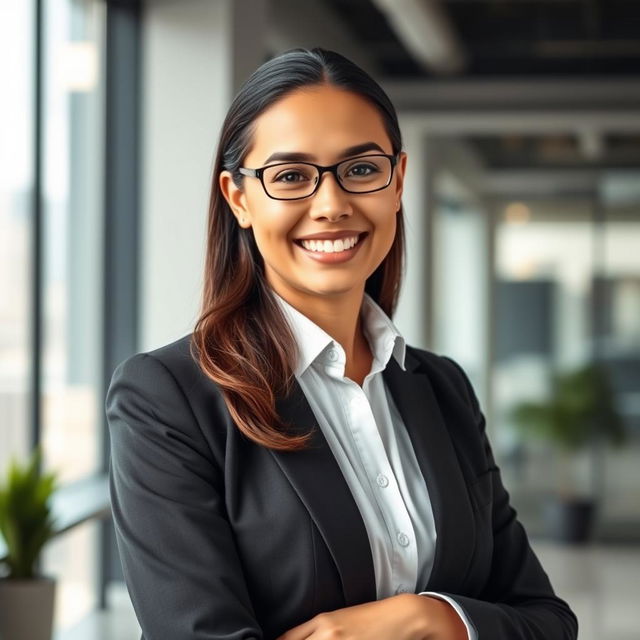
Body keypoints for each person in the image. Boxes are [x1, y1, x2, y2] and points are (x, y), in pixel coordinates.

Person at [106, 48, 578, 640]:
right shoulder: (168, 400)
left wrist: (427, 618)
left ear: (398, 181)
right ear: (238, 198)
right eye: (290, 176)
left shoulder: (443, 388)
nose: (331, 206)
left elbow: (548, 621)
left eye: (360, 170)